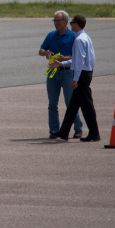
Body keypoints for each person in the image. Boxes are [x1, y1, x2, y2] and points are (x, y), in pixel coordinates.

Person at [52, 15, 100, 142]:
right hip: (86, 73)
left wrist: (76, 79)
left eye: (72, 22)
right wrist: (61, 64)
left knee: (87, 106)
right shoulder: (86, 37)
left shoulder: (79, 40)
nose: (70, 24)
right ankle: (64, 132)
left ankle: (94, 134)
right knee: (73, 106)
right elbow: (86, 59)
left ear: (76, 24)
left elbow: (79, 62)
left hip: (82, 76)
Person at [39, 10, 83, 139]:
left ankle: (78, 128)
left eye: (58, 21)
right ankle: (54, 130)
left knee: (70, 102)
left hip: (68, 72)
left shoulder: (73, 36)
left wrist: (65, 58)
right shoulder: (51, 35)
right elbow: (40, 50)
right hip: (53, 72)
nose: (56, 23)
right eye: (54, 21)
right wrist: (46, 53)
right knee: (52, 103)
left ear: (65, 22)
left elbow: (78, 56)